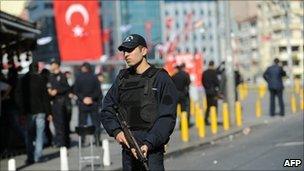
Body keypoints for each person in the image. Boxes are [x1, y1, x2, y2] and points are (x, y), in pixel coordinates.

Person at [100, 34, 178, 170]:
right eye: (124, 51)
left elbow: (167, 117)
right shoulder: (122, 78)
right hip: (128, 148)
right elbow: (107, 109)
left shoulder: (160, 78)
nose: (126, 54)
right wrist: (117, 132)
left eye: (130, 50)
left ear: (144, 51)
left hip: (151, 151)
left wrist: (149, 143)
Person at [15, 62, 52, 164]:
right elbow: (45, 97)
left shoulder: (22, 80)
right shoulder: (40, 79)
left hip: (28, 112)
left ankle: (30, 157)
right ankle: (38, 156)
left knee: (29, 135)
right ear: (36, 69)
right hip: (40, 111)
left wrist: (21, 111)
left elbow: (18, 97)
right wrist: (49, 113)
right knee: (39, 134)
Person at [74, 62, 102, 146]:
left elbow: (76, 91)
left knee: (82, 123)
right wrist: (91, 98)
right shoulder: (95, 78)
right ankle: (97, 140)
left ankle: (82, 141)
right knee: (96, 123)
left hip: (82, 104)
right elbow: (98, 91)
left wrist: (83, 98)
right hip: (93, 103)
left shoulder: (78, 78)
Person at [48, 59, 71, 147]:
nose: (51, 66)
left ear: (57, 65)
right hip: (54, 103)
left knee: (63, 123)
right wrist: (49, 90)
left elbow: (67, 87)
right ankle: (58, 140)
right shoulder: (51, 76)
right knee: (56, 123)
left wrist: (57, 91)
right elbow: (49, 85)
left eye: (53, 64)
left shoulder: (62, 76)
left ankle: (64, 142)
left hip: (62, 102)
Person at [202, 60, 220, 125]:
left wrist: (206, 88)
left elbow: (203, 82)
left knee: (208, 106)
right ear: (213, 65)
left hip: (207, 92)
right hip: (213, 92)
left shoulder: (204, 72)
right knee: (215, 106)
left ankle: (206, 119)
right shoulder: (214, 72)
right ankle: (214, 119)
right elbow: (217, 82)